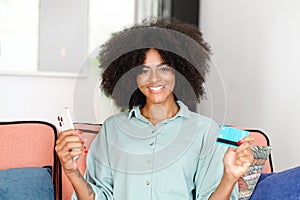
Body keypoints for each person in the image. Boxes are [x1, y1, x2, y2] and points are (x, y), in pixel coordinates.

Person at [55, 18, 254, 200]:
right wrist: (72, 171)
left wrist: (229, 177)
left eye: (164, 68)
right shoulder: (113, 129)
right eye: (143, 70)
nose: (154, 79)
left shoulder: (205, 131)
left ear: (180, 70)